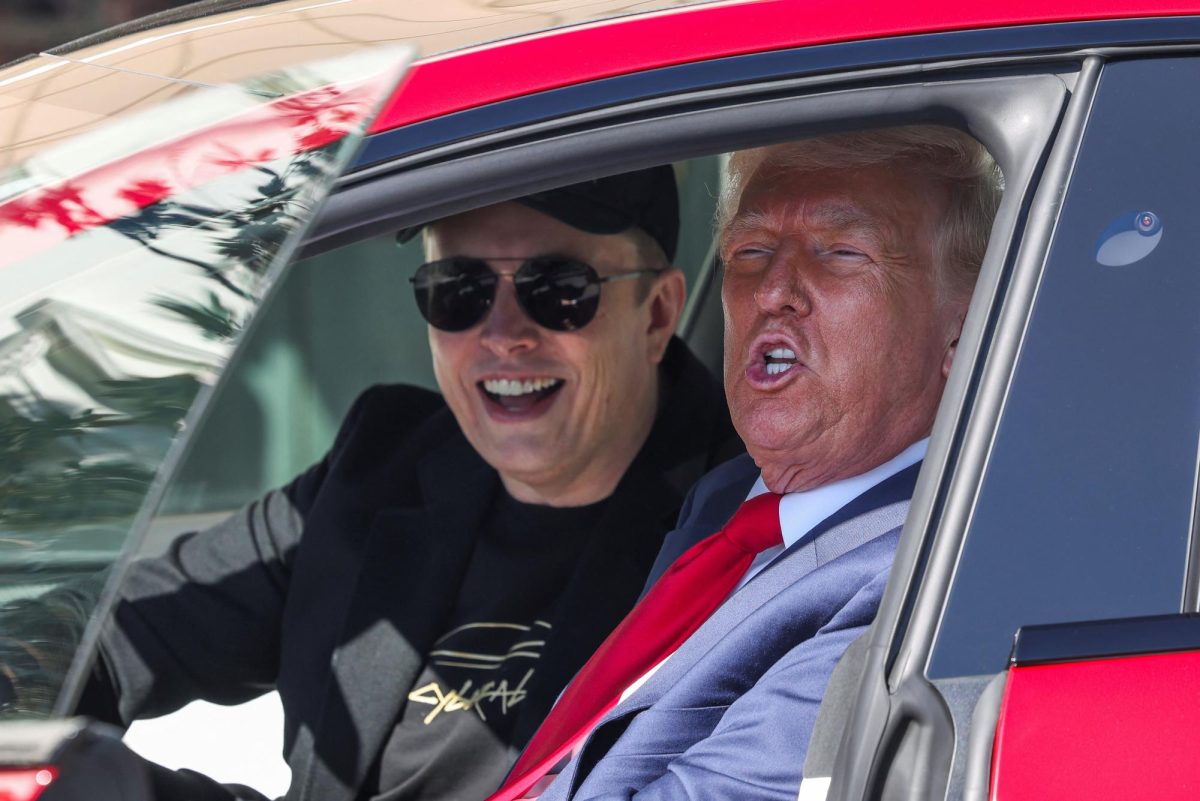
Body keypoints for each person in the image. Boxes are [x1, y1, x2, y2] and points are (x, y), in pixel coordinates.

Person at [0, 167, 740, 801]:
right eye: (459, 289)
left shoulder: (747, 521)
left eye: (559, 289)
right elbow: (118, 632)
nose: (503, 332)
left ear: (657, 313)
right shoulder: (380, 463)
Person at [491, 125, 1002, 800]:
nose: (773, 290)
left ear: (962, 330)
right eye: (750, 250)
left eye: (842, 252)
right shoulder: (730, 498)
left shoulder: (918, 578)